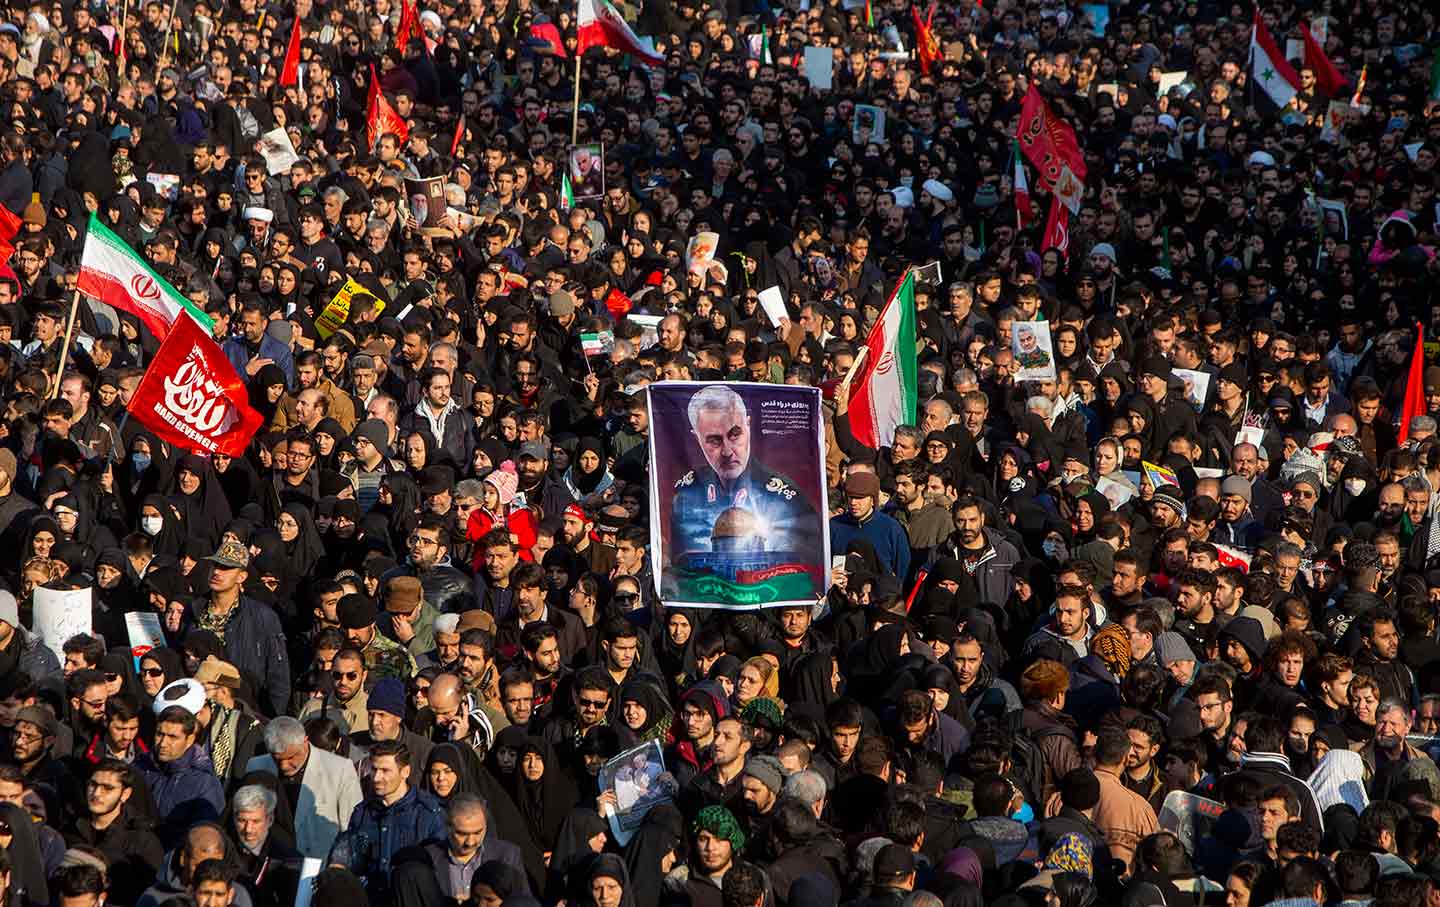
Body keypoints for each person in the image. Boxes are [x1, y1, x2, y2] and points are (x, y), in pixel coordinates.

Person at [244, 716, 363, 860]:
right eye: (277, 758)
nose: (284, 766)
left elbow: (352, 829)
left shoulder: (340, 770)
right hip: (268, 864)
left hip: (317, 866)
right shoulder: (256, 766)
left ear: (305, 742)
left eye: (291, 757)